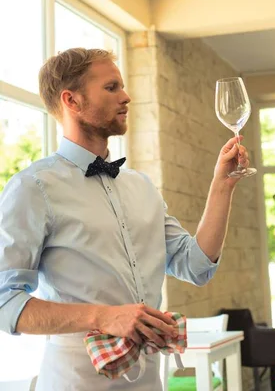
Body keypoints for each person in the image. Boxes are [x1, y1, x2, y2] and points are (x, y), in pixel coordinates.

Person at [0, 48, 249, 390]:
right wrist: (103, 316)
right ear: (72, 101)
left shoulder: (141, 186)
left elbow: (196, 265)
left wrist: (223, 183)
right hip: (75, 382)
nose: (126, 96)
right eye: (112, 87)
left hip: (148, 381)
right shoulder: (33, 188)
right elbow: (6, 303)